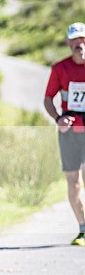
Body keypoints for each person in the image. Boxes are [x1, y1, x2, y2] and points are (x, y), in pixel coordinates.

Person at [44, 21, 85, 246]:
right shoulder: (59, 69)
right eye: (75, 39)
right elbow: (47, 98)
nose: (79, 44)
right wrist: (58, 118)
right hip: (69, 132)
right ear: (69, 42)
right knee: (73, 182)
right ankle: (83, 228)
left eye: (83, 39)